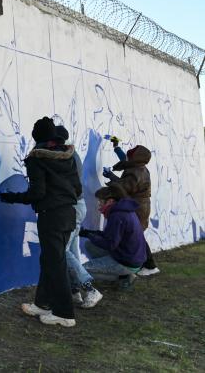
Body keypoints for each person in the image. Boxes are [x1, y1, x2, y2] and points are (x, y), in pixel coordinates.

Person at [0, 117, 80, 327]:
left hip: (51, 216)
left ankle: (64, 313)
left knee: (56, 262)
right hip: (69, 214)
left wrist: (12, 197)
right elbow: (77, 189)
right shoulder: (67, 156)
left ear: (37, 136)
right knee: (51, 260)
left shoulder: (37, 159)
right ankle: (42, 303)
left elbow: (37, 193)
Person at [55, 125, 102, 308]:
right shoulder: (71, 154)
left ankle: (89, 289)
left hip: (71, 208)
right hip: (76, 207)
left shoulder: (66, 156)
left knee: (62, 251)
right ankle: (75, 292)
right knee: (72, 251)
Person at [103, 138, 158, 275]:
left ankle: (150, 265)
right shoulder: (137, 166)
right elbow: (125, 159)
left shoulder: (136, 172)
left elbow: (124, 187)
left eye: (131, 155)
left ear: (136, 159)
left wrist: (111, 177)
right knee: (137, 235)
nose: (127, 157)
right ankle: (144, 264)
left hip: (138, 207)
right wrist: (116, 147)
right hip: (140, 205)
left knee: (137, 236)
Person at [79, 184, 147, 290]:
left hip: (127, 262)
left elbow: (110, 244)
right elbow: (110, 236)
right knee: (89, 245)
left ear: (110, 201)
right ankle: (125, 275)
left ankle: (124, 277)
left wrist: (89, 235)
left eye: (100, 201)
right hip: (131, 257)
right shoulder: (123, 210)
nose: (99, 205)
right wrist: (90, 233)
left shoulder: (117, 216)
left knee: (83, 270)